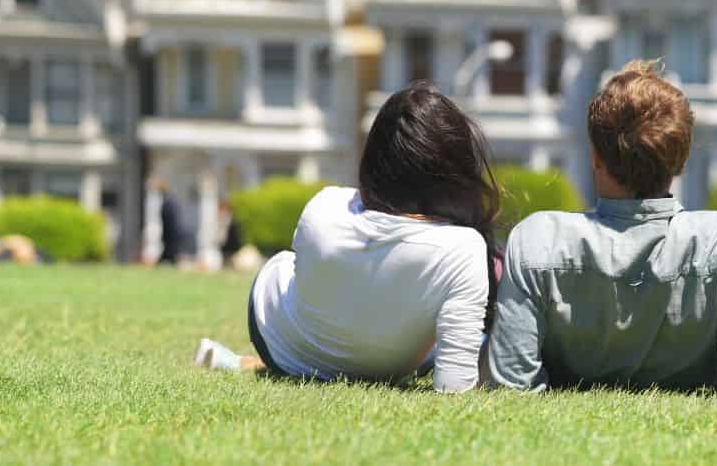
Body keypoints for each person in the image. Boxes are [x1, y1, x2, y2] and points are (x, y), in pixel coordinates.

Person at [487, 60, 717, 397]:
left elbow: (510, 383)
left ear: (595, 156)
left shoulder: (537, 239)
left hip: (570, 366)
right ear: (681, 158)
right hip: (707, 361)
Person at [196, 82, 499, 392]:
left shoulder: (325, 205)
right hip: (391, 363)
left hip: (286, 348)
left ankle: (249, 362)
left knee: (280, 267)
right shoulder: (463, 248)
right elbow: (455, 386)